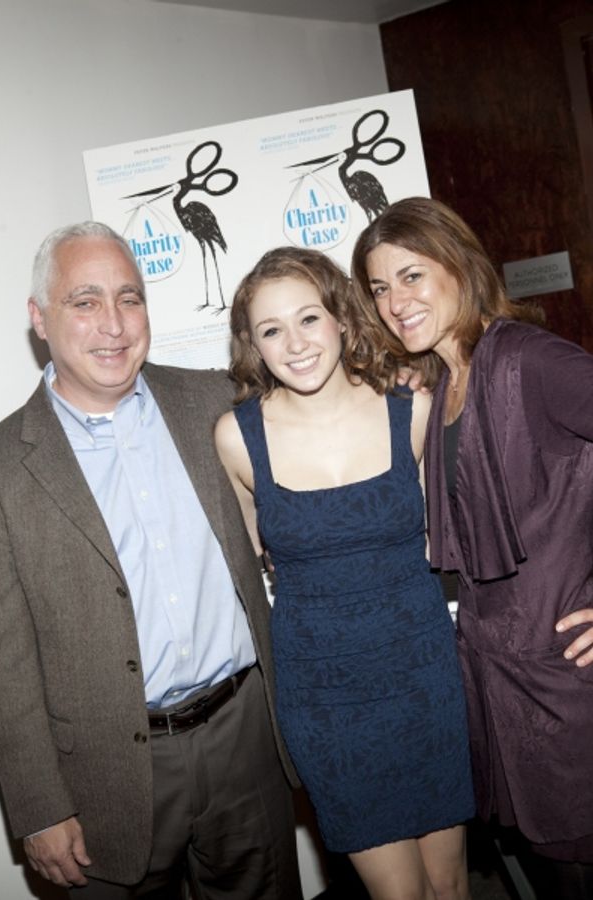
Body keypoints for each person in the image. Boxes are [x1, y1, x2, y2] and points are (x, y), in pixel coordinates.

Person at [0, 221, 303, 900]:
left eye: (128, 298)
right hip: (102, 779)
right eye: (85, 301)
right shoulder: (1, 468)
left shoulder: (216, 402)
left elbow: (323, 414)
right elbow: (1, 660)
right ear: (39, 319)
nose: (114, 324)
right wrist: (38, 807)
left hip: (244, 738)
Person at [214, 246, 475, 900]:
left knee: (450, 886)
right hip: (326, 697)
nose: (296, 344)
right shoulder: (237, 438)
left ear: (340, 317)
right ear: (253, 345)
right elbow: (253, 561)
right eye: (272, 330)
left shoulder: (410, 409)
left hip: (423, 674)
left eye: (309, 318)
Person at [351, 195, 593, 899]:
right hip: (504, 687)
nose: (395, 302)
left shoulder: (527, 359)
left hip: (567, 687)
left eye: (412, 276)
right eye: (380, 287)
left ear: (459, 265)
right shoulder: (447, 377)